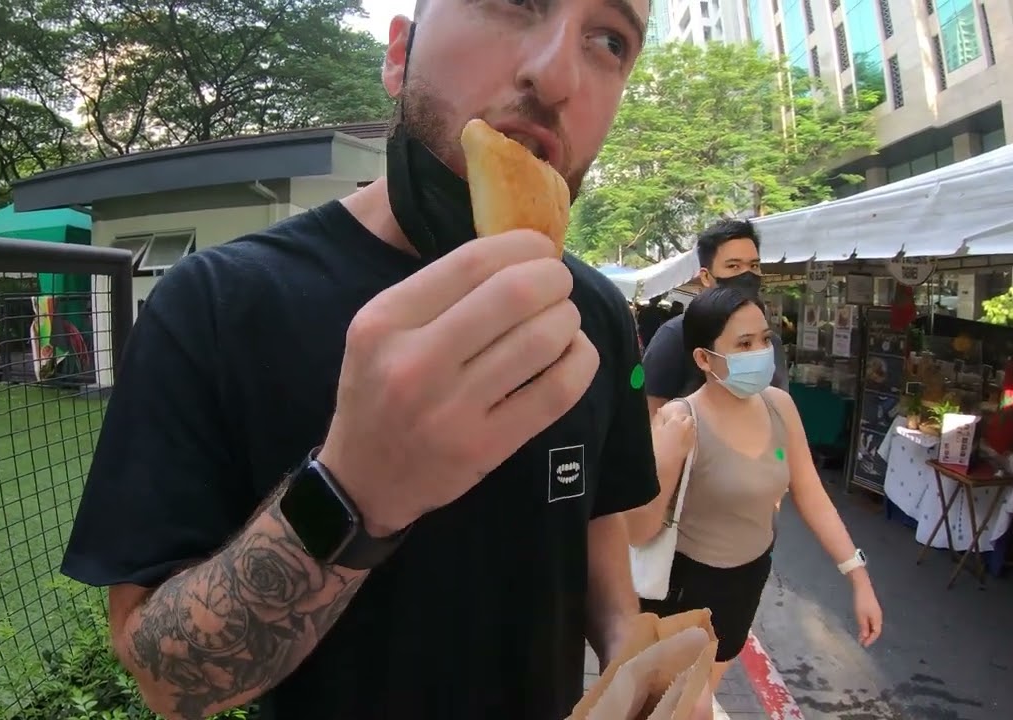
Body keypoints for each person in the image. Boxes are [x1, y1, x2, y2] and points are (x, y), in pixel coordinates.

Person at [59, 2, 675, 720]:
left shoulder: (594, 310)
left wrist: (635, 655)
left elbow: (595, 529)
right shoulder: (218, 303)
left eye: (609, 40)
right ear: (398, 56)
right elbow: (166, 681)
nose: (558, 74)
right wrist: (355, 490)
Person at [626, 287, 884, 712]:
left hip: (744, 582)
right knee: (685, 706)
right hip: (684, 587)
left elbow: (811, 493)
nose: (761, 352)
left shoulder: (780, 406)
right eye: (744, 344)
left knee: (699, 691)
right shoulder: (680, 418)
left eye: (765, 340)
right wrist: (667, 457)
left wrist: (859, 578)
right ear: (704, 360)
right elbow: (638, 531)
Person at [642, 219, 788, 417]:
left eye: (754, 265)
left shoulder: (771, 343)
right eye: (734, 266)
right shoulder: (675, 336)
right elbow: (650, 417)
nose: (747, 275)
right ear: (706, 277)